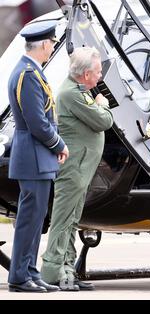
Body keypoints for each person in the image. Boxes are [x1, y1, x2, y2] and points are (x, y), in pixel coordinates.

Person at [40, 47, 113, 291]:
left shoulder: (78, 90)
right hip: (73, 167)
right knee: (63, 218)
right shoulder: (71, 93)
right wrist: (103, 105)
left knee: (72, 219)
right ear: (84, 74)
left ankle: (67, 270)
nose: (100, 76)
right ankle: (52, 271)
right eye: (98, 72)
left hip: (81, 167)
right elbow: (103, 121)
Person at [7, 20, 69, 293]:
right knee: (29, 220)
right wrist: (59, 145)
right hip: (33, 155)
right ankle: (19, 277)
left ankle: (30, 271)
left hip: (36, 156)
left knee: (36, 218)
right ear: (44, 44)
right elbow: (37, 123)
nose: (52, 47)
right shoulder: (27, 74)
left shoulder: (31, 71)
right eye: (52, 43)